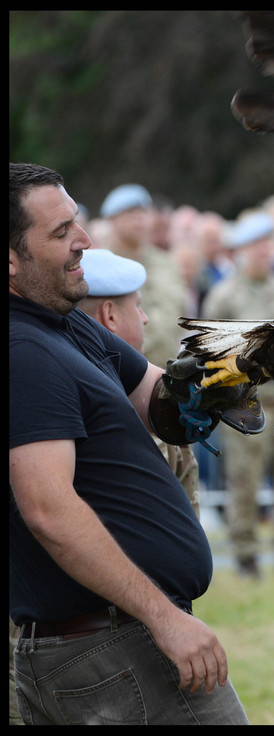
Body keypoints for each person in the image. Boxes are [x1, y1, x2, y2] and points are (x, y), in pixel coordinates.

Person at [9, 162, 248, 724]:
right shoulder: (23, 352)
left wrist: (254, 357)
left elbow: (156, 394)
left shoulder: (66, 323)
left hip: (112, 644)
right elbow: (48, 509)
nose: (85, 243)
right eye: (61, 232)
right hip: (113, 646)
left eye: (79, 224)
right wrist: (164, 618)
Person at [202, 210, 274, 578]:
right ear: (240, 250)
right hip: (244, 405)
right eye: (256, 245)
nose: (264, 251)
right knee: (244, 481)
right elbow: (209, 352)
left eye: (268, 243)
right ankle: (246, 554)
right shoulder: (223, 296)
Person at [76, 247, 202, 517]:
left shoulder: (60, 388)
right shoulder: (149, 408)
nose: (144, 318)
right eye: (137, 306)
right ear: (110, 315)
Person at [98, 182, 190, 369]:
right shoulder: (100, 265)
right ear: (112, 219)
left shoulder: (167, 263)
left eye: (143, 212)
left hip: (167, 367)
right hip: (122, 370)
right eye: (131, 213)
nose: (139, 219)